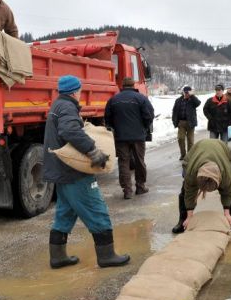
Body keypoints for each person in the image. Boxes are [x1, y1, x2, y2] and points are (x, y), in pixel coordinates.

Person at [43, 75, 130, 269]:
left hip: (62, 172)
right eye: (80, 90)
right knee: (96, 209)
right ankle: (107, 256)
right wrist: (93, 151)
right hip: (73, 172)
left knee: (65, 213)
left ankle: (58, 257)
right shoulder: (67, 107)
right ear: (75, 91)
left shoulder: (58, 105)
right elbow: (70, 131)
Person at [171, 139, 231, 235]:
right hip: (195, 153)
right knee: (185, 190)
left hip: (222, 151)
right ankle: (182, 220)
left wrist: (226, 213)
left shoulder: (226, 174)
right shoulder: (191, 173)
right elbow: (189, 193)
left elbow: (228, 192)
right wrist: (190, 217)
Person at [104, 76, 154, 199]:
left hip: (121, 137)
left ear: (122, 86)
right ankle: (140, 187)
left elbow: (107, 118)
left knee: (123, 162)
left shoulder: (113, 99)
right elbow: (149, 115)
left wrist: (115, 128)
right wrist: (144, 128)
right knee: (139, 161)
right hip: (138, 136)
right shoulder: (141, 98)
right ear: (133, 85)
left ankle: (127, 190)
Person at [172, 85, 201, 160]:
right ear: (183, 92)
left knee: (190, 140)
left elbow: (198, 103)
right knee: (180, 138)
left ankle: (190, 156)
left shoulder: (193, 100)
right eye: (185, 92)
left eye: (188, 92)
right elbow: (174, 111)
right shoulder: (178, 100)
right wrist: (174, 120)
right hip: (181, 123)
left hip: (190, 123)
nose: (186, 94)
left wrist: (192, 95)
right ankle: (183, 154)